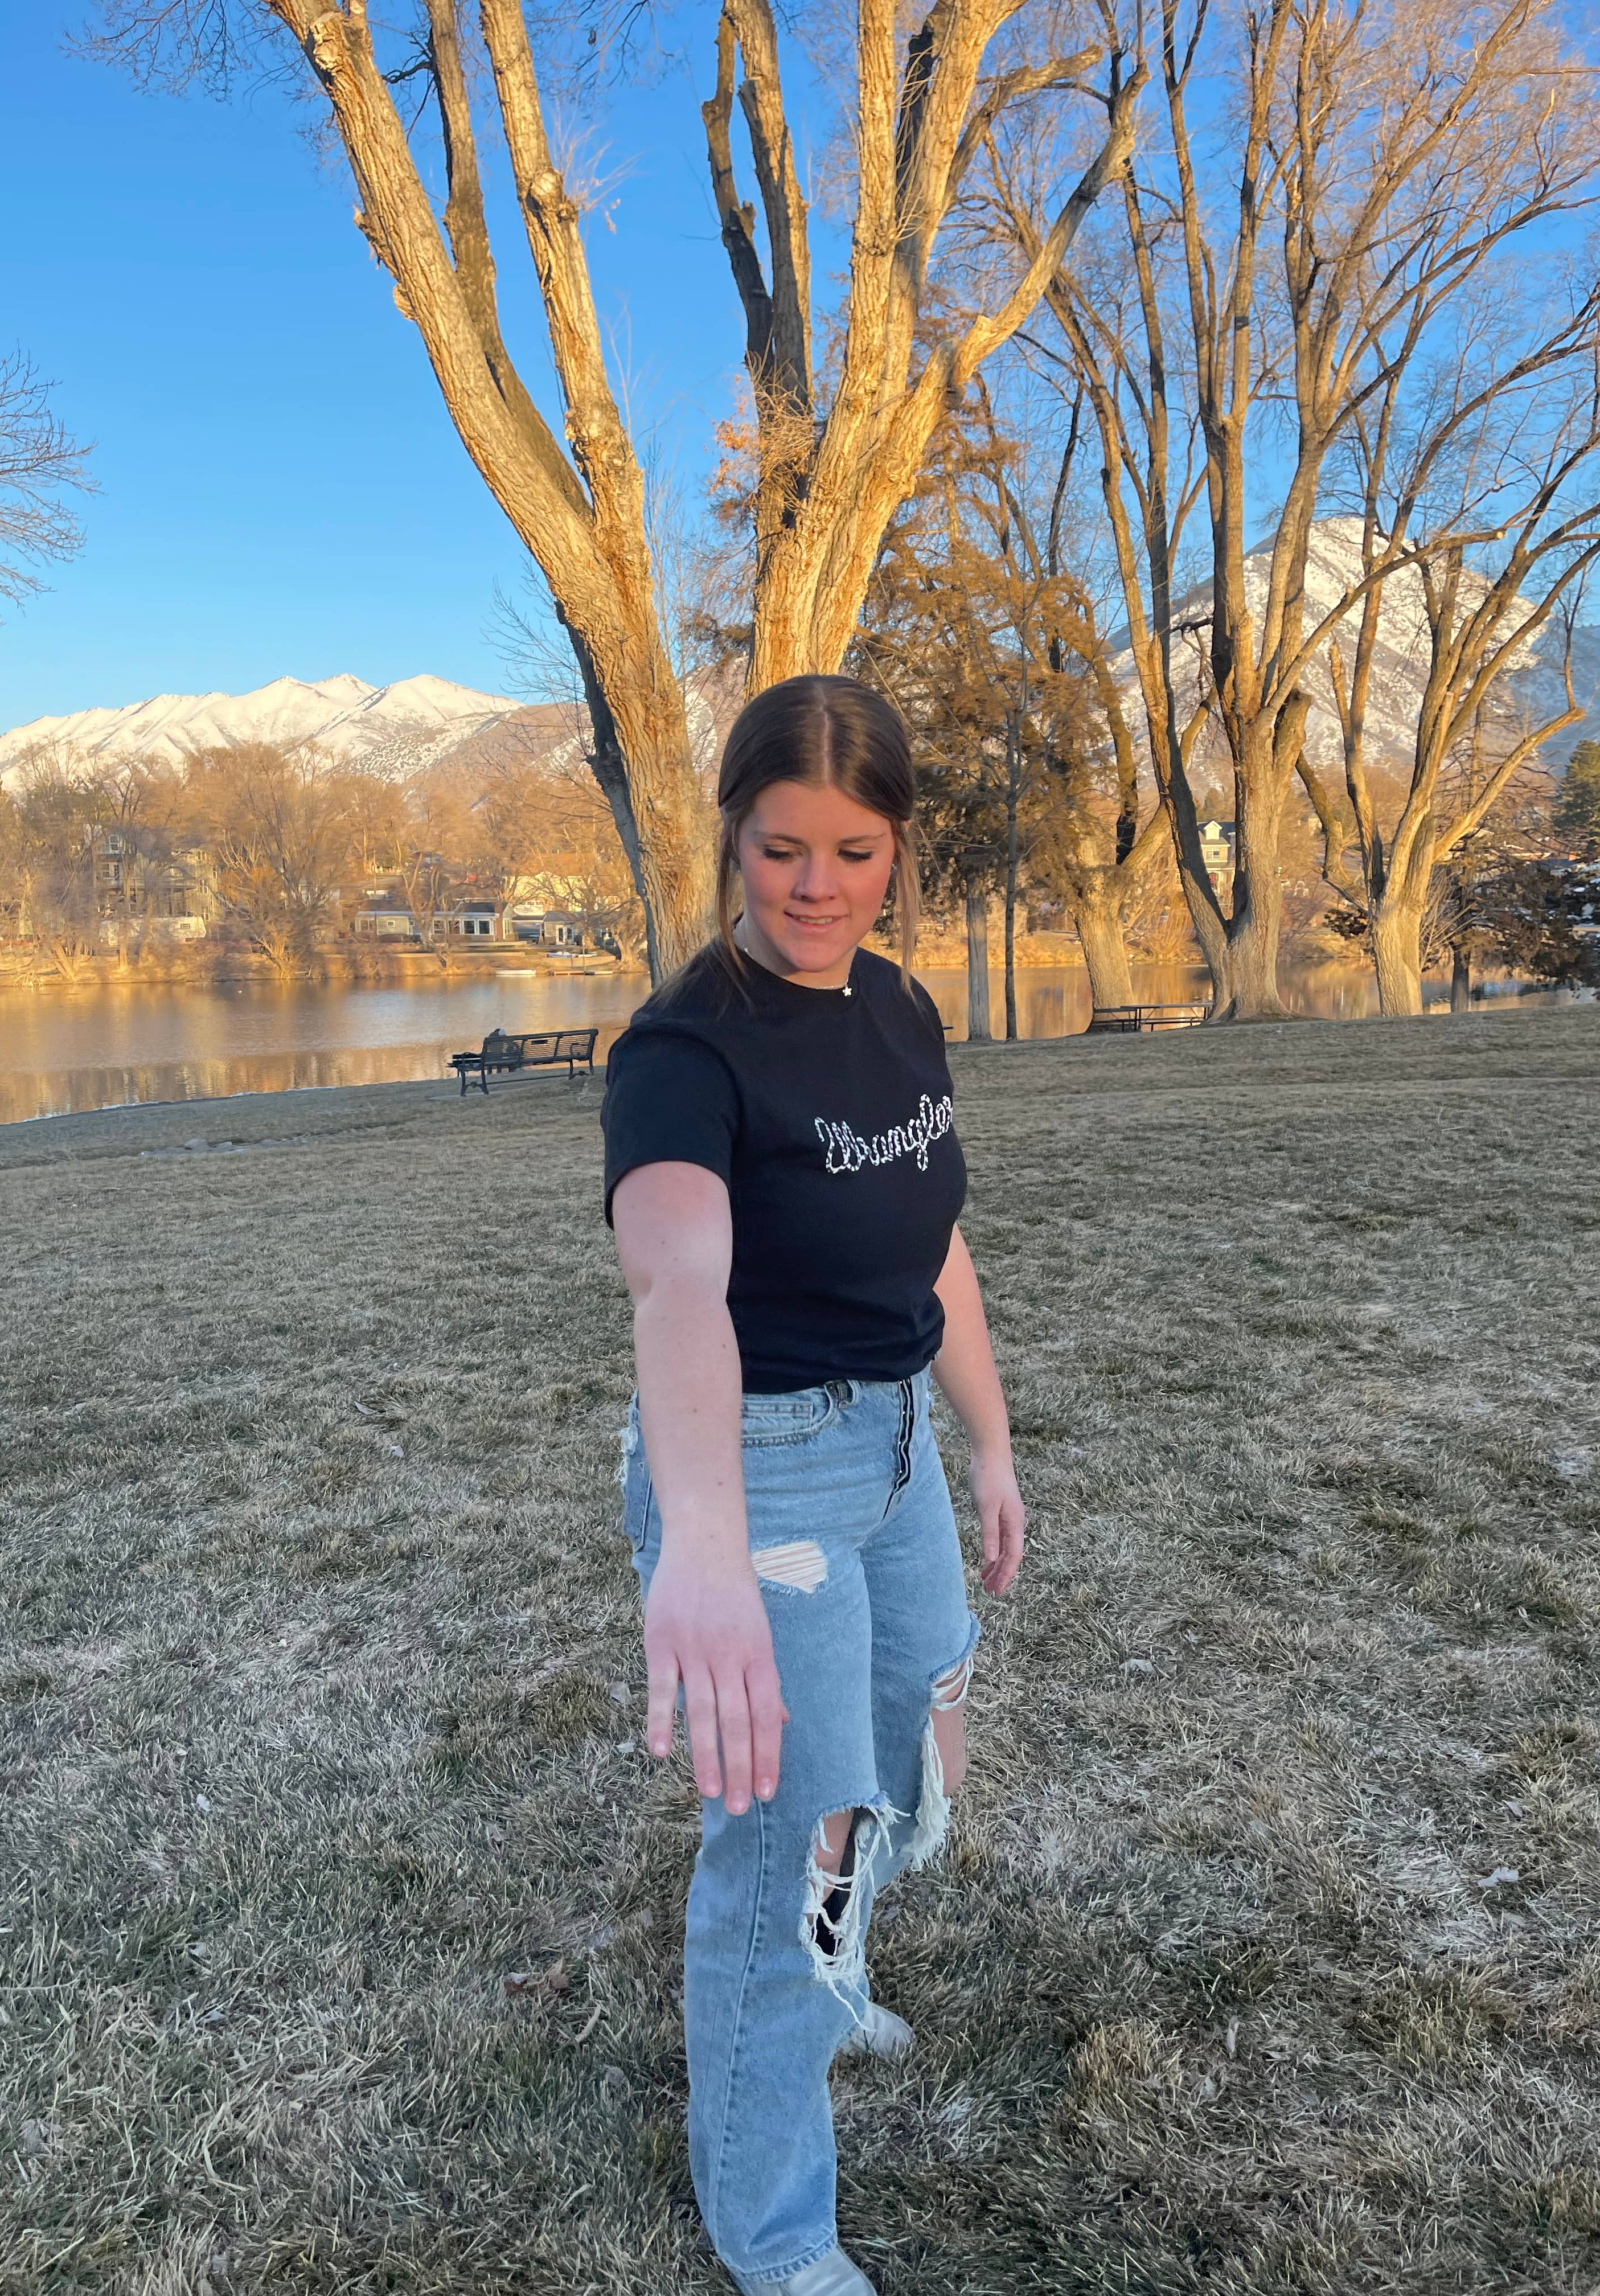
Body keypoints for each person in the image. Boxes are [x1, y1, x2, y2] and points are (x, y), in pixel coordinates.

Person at [602, 674, 1026, 2295]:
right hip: (760, 1474)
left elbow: (933, 1241)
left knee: (916, 1743)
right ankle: (777, 2237)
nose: (818, 885)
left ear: (898, 848)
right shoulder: (682, 1048)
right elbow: (679, 1287)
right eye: (784, 849)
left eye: (854, 849)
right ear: (737, 837)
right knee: (801, 1842)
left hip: (898, 1441)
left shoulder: (900, 1010)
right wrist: (702, 1543)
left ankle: (837, 1987)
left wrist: (986, 1440)